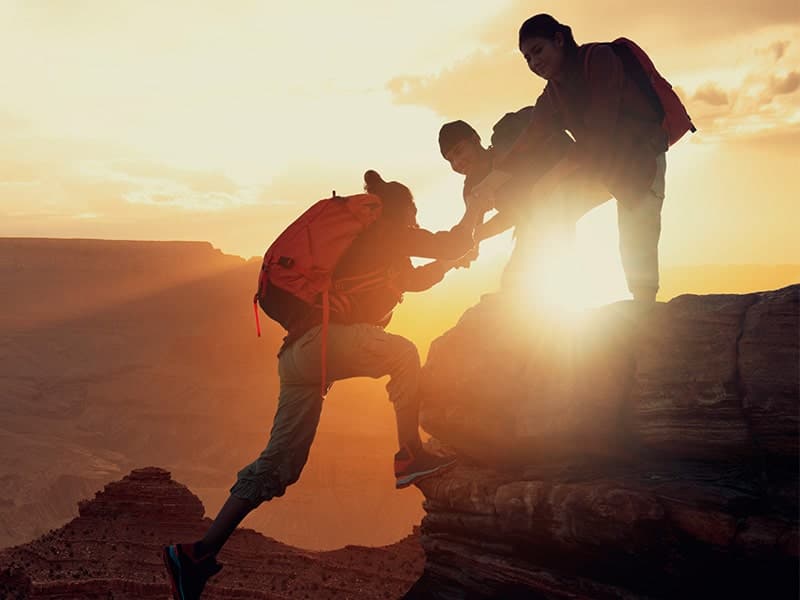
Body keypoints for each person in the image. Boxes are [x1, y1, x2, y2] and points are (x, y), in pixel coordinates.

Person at [162, 170, 486, 600]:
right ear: (400, 211)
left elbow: (419, 277)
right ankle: (410, 454)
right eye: (413, 214)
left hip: (297, 357)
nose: (414, 221)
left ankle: (196, 555)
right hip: (323, 344)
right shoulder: (387, 231)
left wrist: (449, 261)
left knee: (278, 467)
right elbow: (445, 242)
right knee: (404, 354)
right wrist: (477, 210)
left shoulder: (370, 249)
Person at [508, 13, 672, 303]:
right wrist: (496, 175)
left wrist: (549, 180)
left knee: (636, 237)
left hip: (640, 159)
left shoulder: (599, 59)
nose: (534, 63)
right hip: (602, 168)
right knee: (550, 210)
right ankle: (545, 293)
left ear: (559, 39)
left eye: (538, 51)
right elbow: (532, 137)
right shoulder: (553, 93)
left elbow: (599, 133)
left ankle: (645, 311)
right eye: (527, 59)